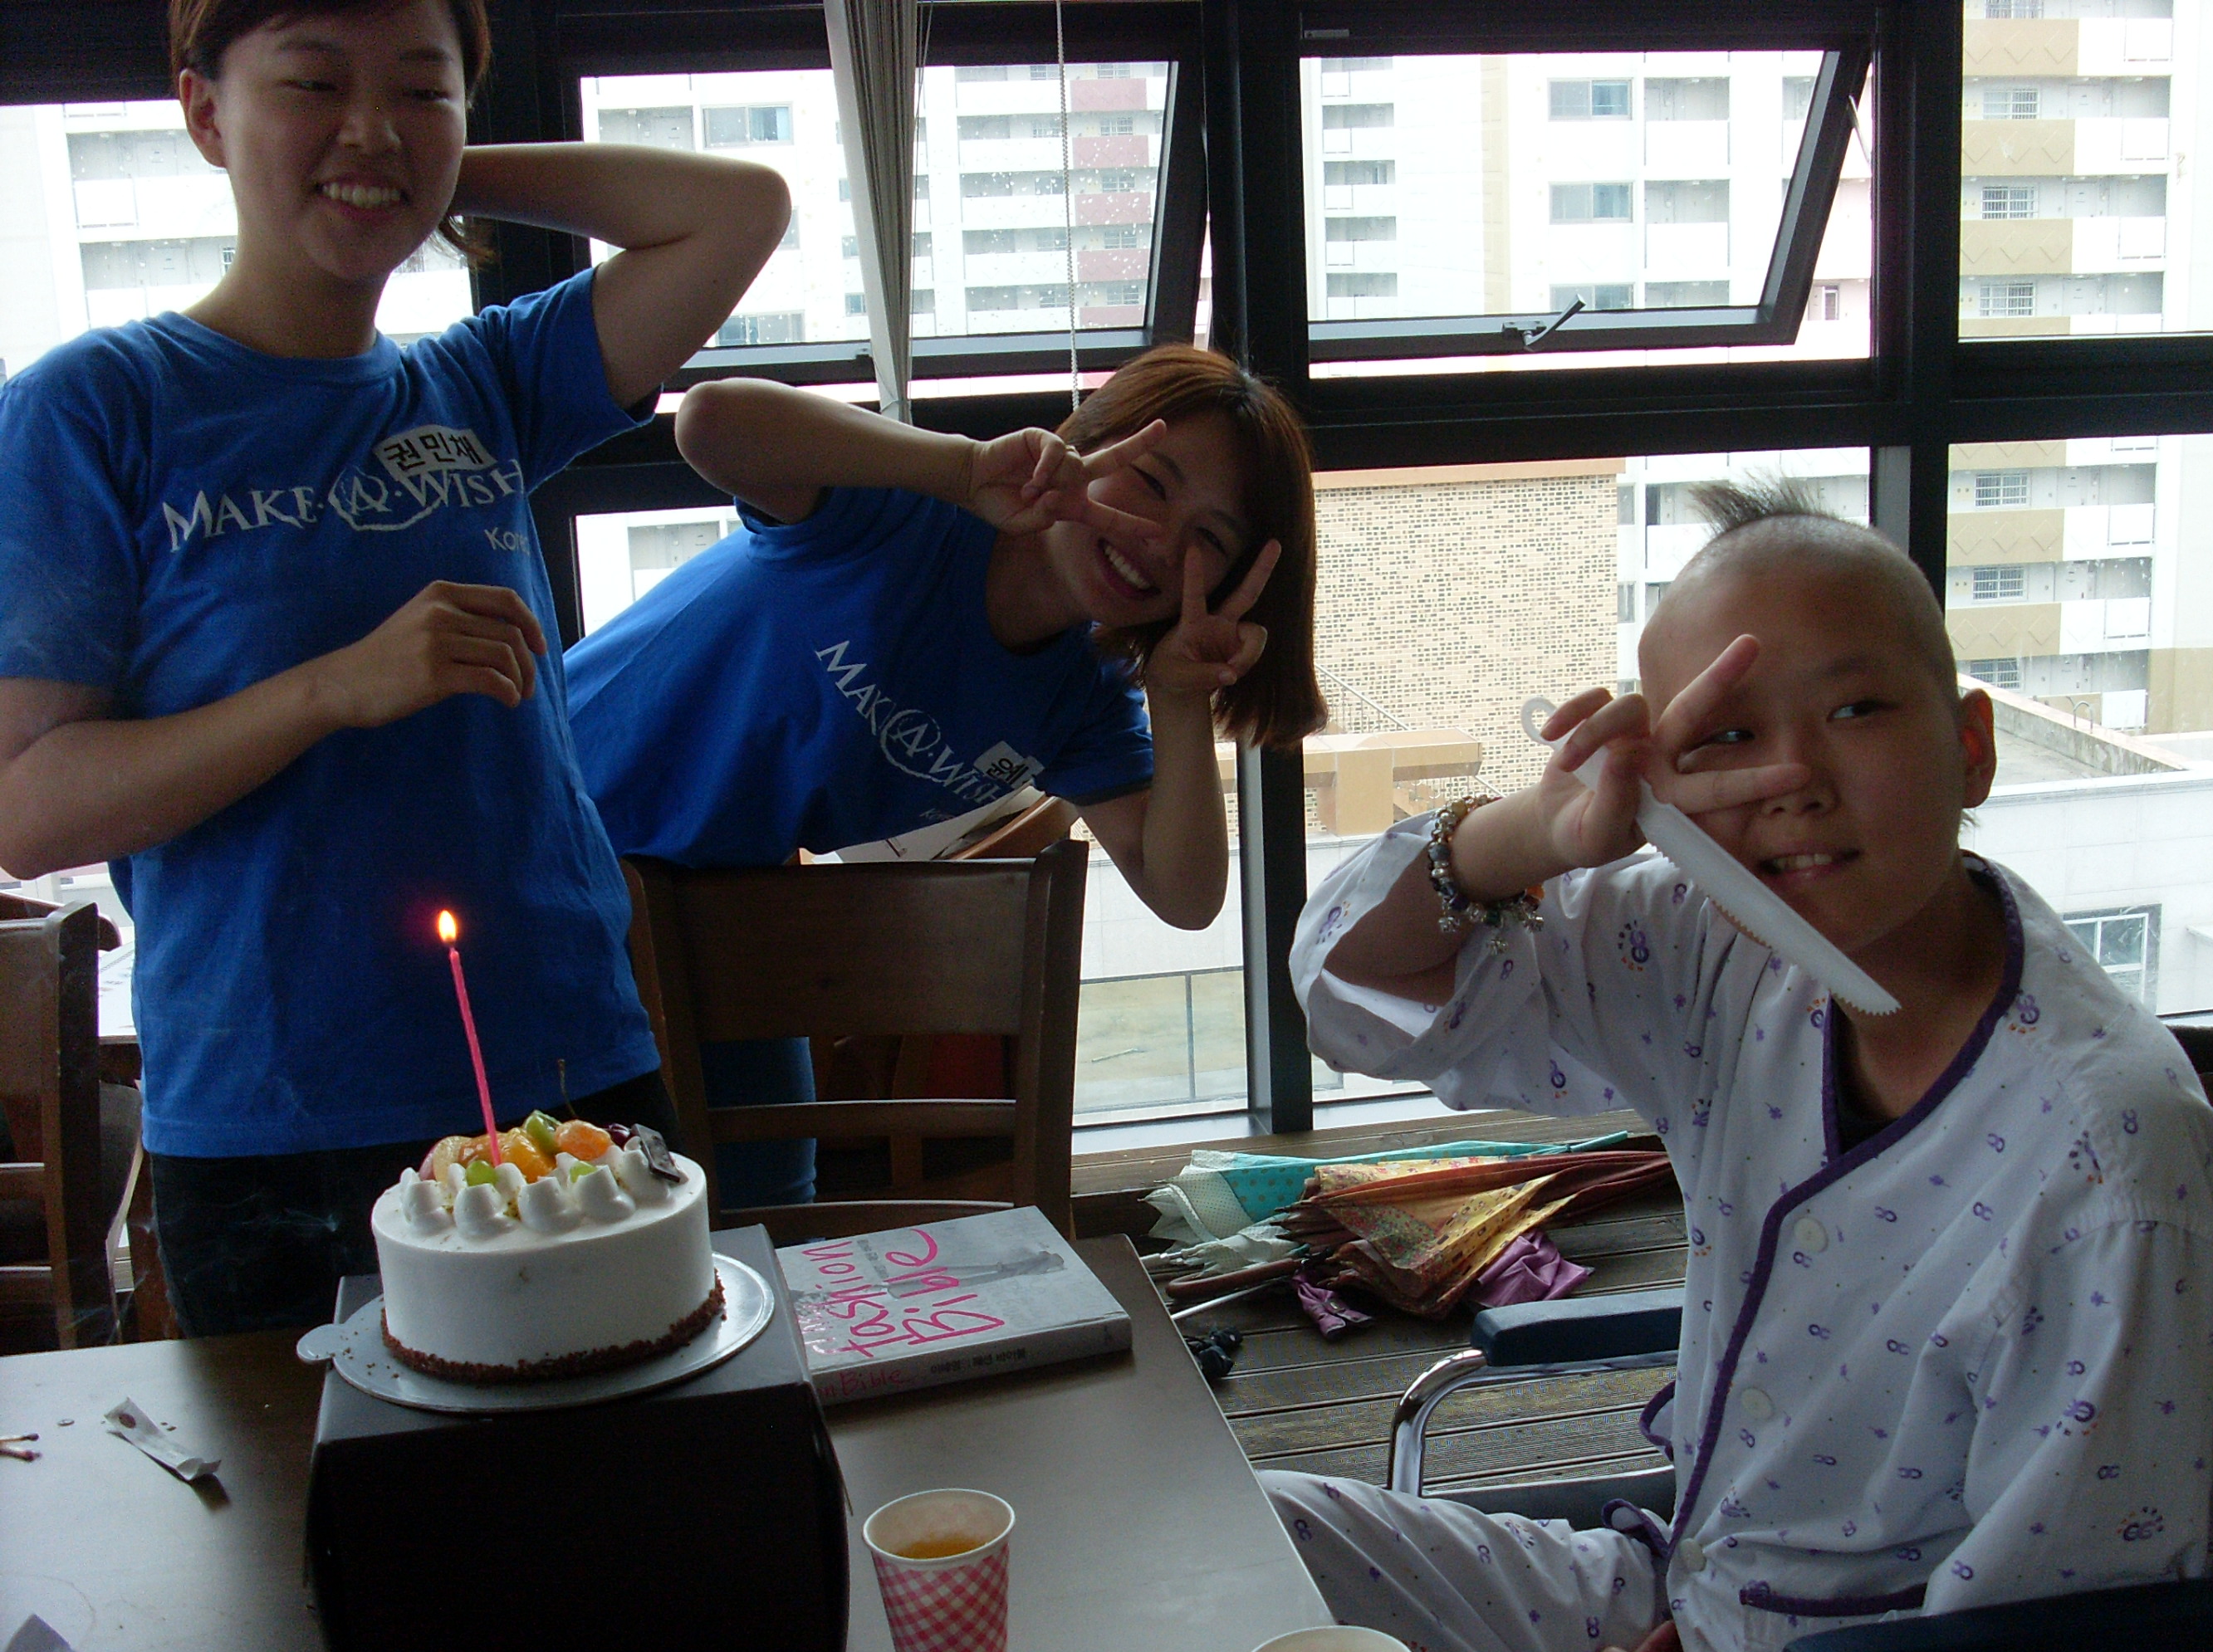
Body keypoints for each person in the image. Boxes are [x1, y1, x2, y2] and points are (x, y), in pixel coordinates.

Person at [1276, 481, 2213, 1652]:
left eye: (1856, 709)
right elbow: (1355, 994)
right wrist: (1536, 832)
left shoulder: (2111, 1172)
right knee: (1262, 1545)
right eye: (1725, 738)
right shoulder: (1726, 947)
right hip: (1690, 1602)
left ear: (1972, 744)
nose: (1791, 777)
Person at [0, 0, 792, 1336]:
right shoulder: (95, 407)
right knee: (325, 1479)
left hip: (565, 1075)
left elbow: (737, 212)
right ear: (202, 111)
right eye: (312, 84)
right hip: (278, 1125)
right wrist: (329, 690)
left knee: (638, 1456)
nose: (371, 124)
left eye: (422, 88)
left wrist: (413, 168)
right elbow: (28, 809)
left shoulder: (483, 382)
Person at [562, 345, 1322, 1206]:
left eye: (1209, 539)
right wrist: (960, 467)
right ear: (1087, 441)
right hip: (542, 828)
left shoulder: (1085, 698)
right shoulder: (911, 512)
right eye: (1151, 482)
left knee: (765, 1205)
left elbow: (1185, 896)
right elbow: (709, 423)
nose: (1159, 539)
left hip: (700, 916)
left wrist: (1180, 698)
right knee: (551, 1206)